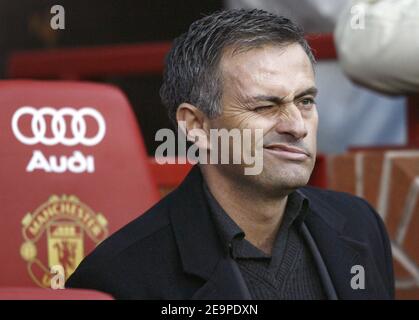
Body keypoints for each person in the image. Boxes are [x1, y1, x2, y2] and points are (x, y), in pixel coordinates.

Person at [66, 9, 394, 299]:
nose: (297, 127)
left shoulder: (359, 225)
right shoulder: (121, 277)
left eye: (306, 101)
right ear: (196, 125)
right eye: (266, 105)